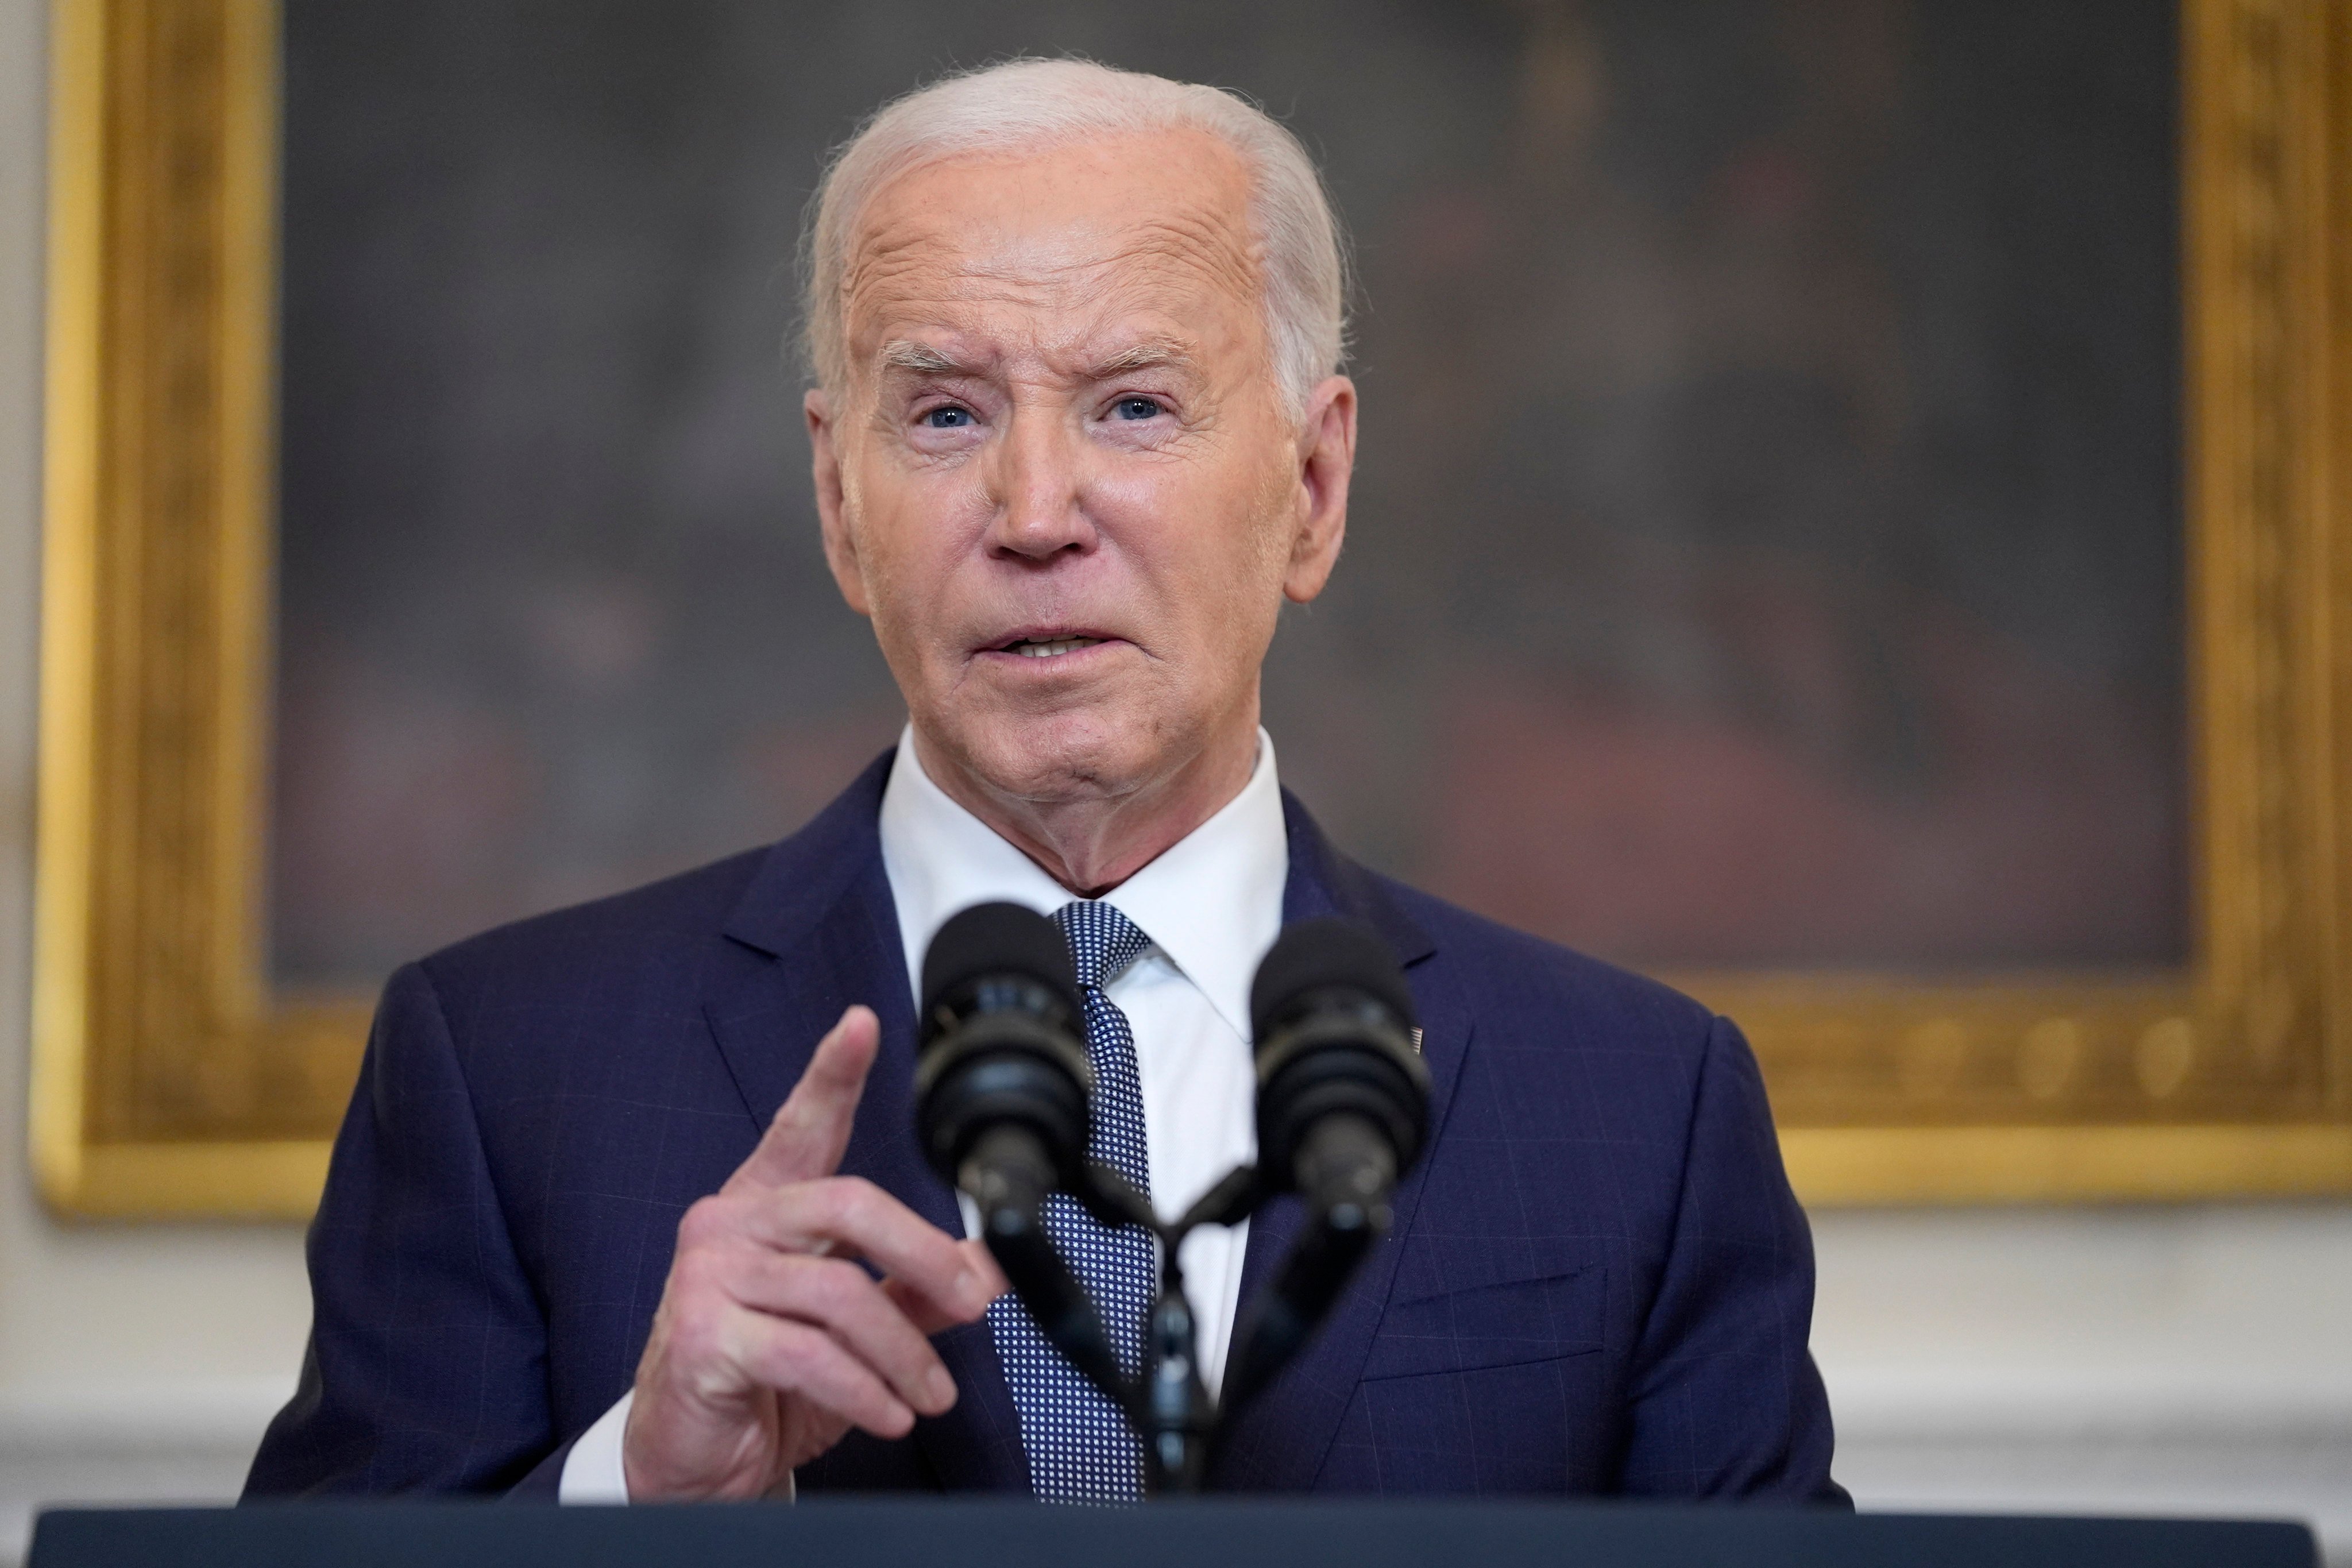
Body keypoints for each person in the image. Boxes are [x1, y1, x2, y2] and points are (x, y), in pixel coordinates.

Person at [245, 57, 1844, 1506]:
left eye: (1132, 406)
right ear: (837, 501)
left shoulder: (1640, 1108)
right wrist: (635, 1496)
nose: (1033, 510)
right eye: (945, 413)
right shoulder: (503, 1071)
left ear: (1312, 485)